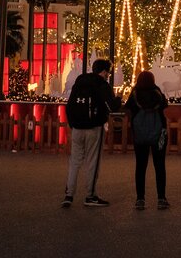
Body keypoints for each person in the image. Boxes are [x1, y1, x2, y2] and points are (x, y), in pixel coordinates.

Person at [62, 58, 121, 208]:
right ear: (104, 71)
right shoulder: (102, 84)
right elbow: (112, 106)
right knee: (93, 161)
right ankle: (90, 195)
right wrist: (118, 98)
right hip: (94, 127)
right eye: (108, 72)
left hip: (77, 127)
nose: (108, 75)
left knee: (75, 161)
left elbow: (69, 105)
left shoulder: (80, 81)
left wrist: (72, 124)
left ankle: (69, 194)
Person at [124, 71, 169, 210]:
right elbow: (164, 105)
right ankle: (161, 198)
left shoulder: (135, 93)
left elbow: (128, 107)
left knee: (141, 166)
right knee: (159, 165)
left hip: (140, 134)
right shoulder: (157, 92)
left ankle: (140, 199)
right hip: (158, 133)